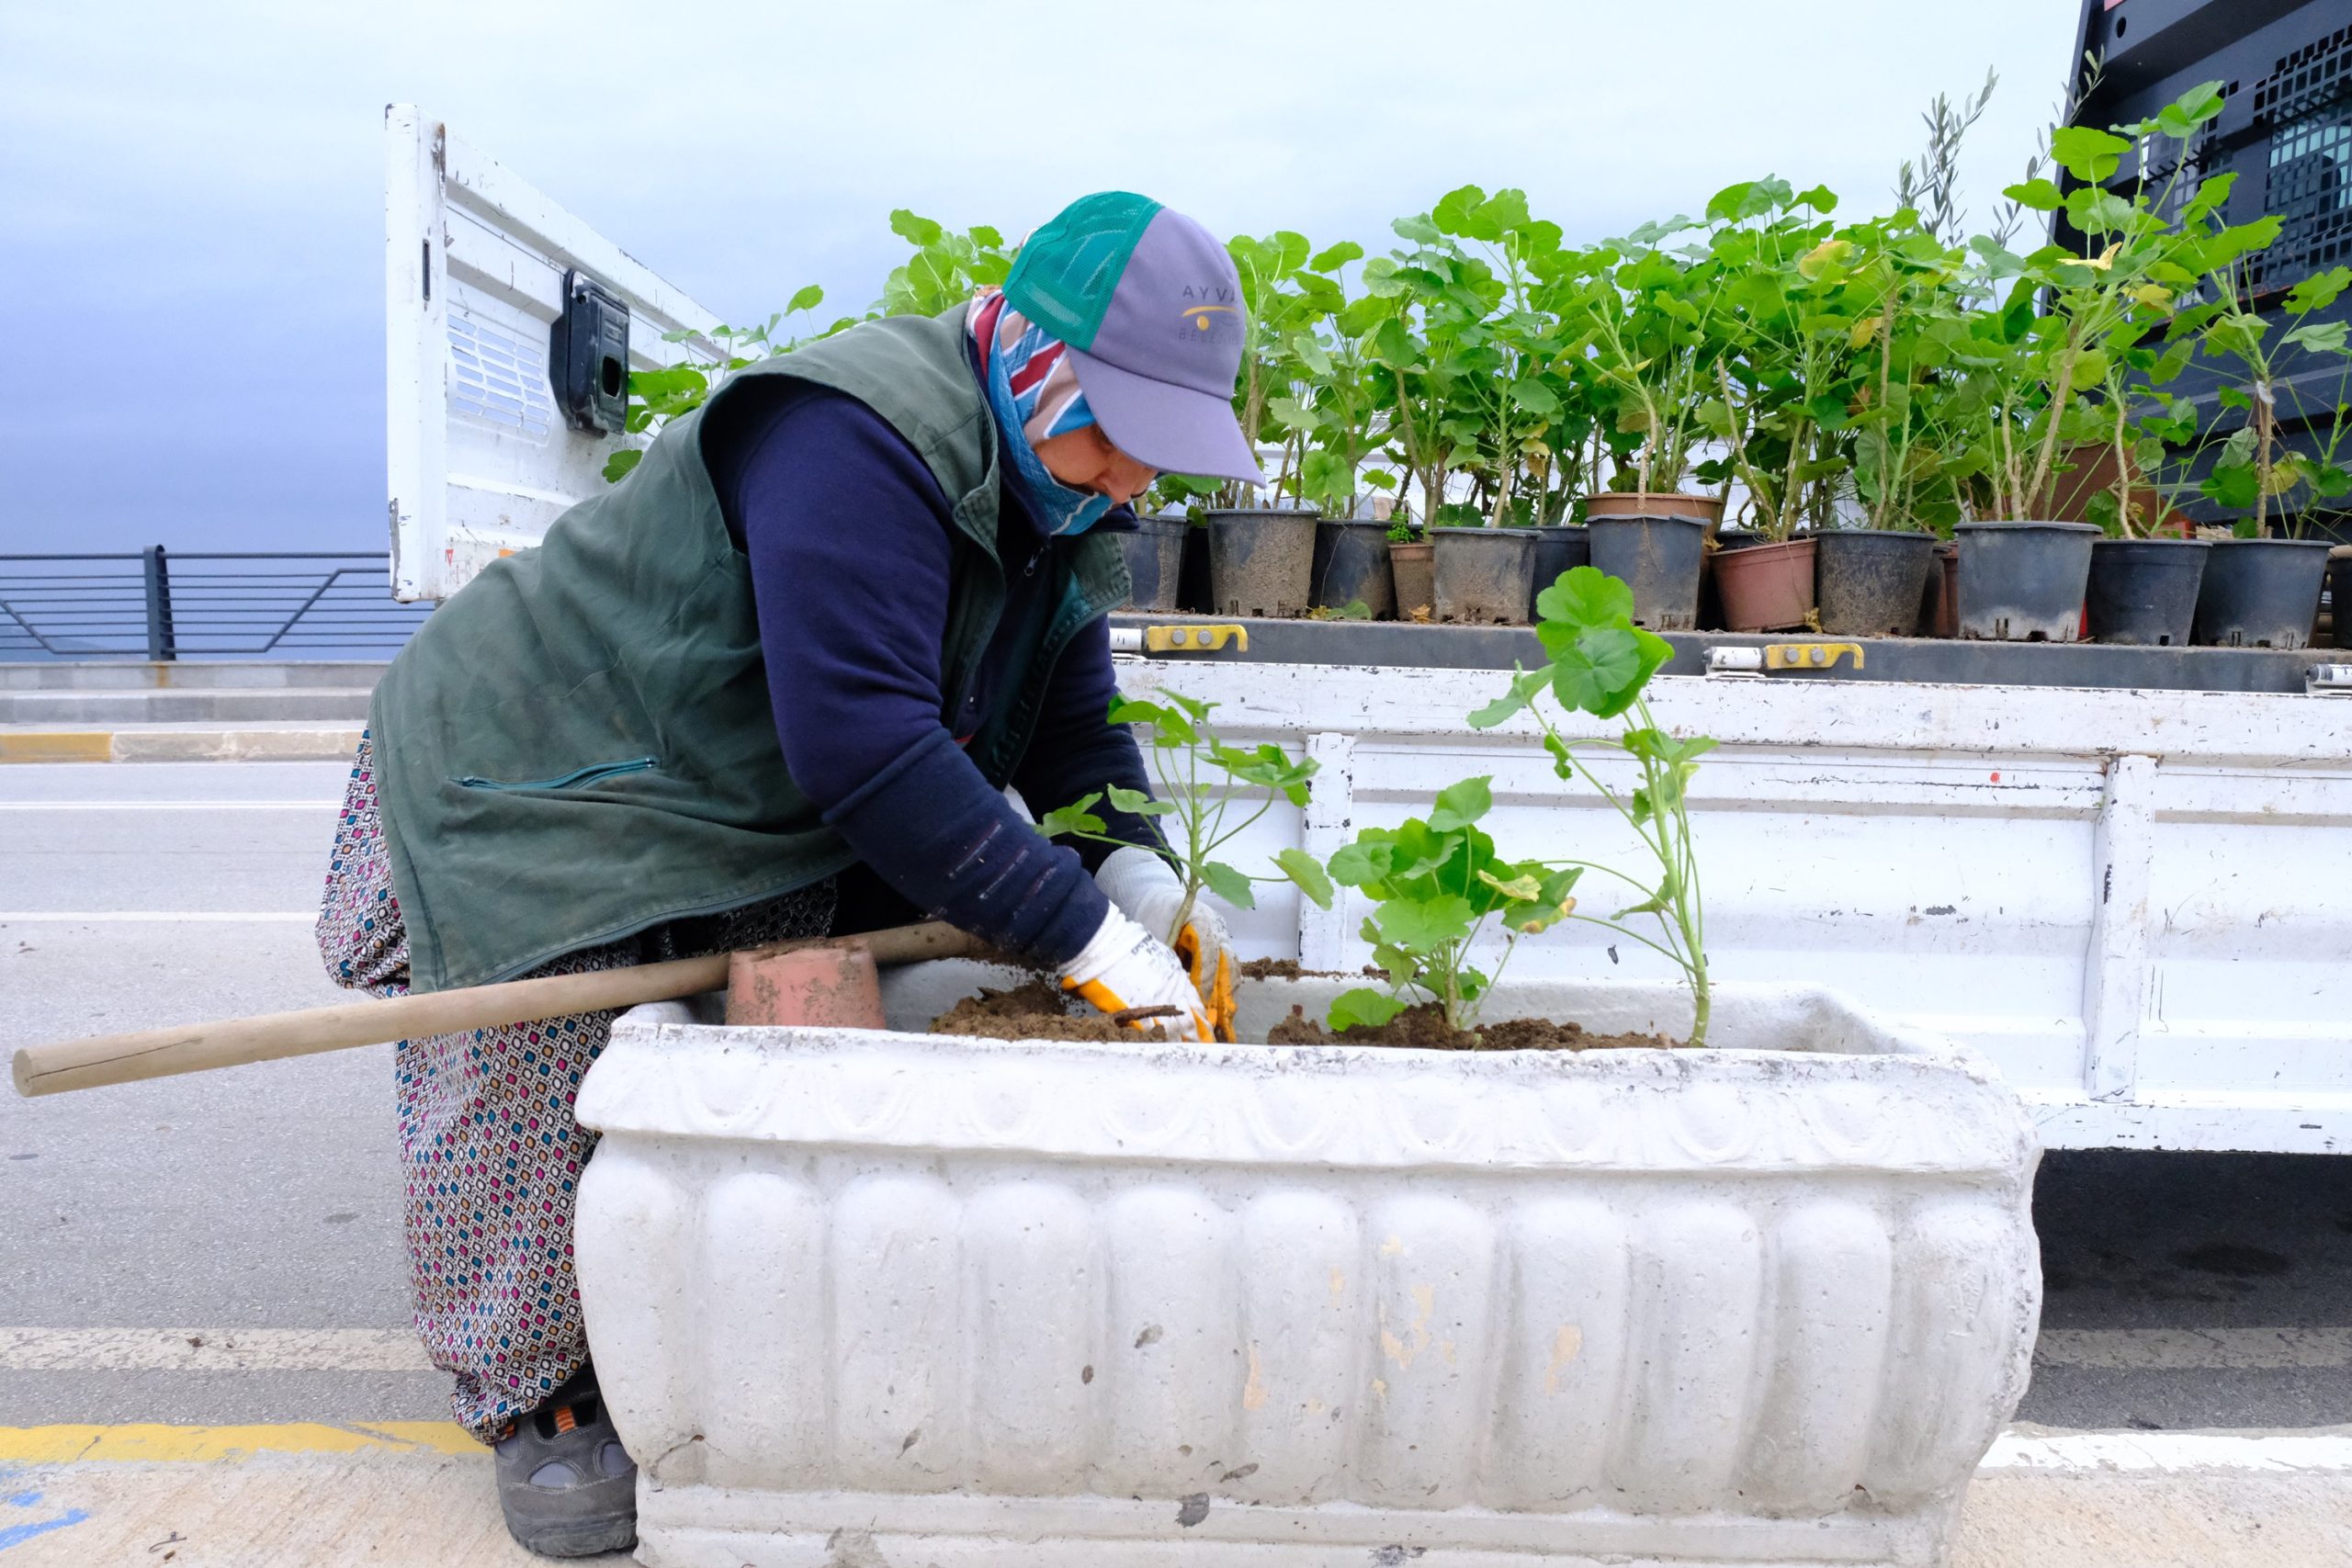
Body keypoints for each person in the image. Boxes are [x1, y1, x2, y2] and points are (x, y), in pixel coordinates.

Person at [313, 191, 1262, 1557]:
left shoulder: (1054, 491)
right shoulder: (857, 440)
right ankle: (535, 1394)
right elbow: (867, 742)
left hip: (708, 787)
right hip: (537, 766)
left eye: (1160, 454)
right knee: (546, 1038)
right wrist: (1080, 941)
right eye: (1121, 434)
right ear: (1038, 363)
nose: (1135, 479)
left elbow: (1074, 721)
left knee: (764, 1008)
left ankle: (706, 1294)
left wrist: (1135, 873)